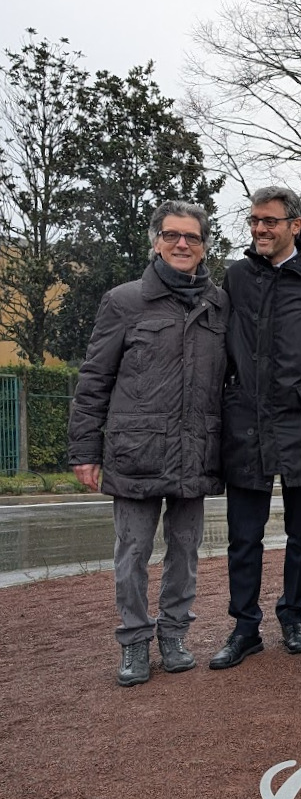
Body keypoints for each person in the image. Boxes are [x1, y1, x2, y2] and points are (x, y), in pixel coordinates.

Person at [68, 202, 227, 687]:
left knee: (186, 551)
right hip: (136, 450)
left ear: (203, 247)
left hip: (194, 450)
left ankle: (174, 634)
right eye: (173, 235)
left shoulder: (219, 305)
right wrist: (84, 450)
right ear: (156, 241)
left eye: (193, 238)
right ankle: (135, 641)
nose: (183, 244)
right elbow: (95, 377)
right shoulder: (124, 301)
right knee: (133, 551)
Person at [210, 186, 301, 670]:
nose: (259, 229)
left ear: (295, 225)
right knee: (244, 535)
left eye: (269, 221)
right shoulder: (235, 278)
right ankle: (244, 627)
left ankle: (293, 617)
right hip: (245, 423)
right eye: (254, 221)